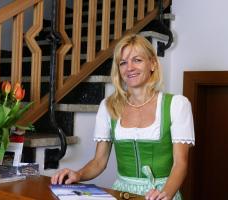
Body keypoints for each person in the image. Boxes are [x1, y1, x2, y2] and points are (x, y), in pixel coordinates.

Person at [51, 33, 195, 200]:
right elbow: (99, 162)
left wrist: (165, 194)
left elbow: (180, 164)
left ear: (153, 64)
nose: (130, 68)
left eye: (137, 60)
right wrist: (78, 174)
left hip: (161, 194)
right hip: (122, 194)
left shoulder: (177, 105)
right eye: (123, 63)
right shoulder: (108, 106)